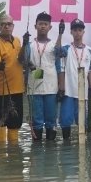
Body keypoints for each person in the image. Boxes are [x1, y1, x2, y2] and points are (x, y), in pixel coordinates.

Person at [27, 12, 64, 142]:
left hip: (51, 88)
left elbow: (59, 65)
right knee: (36, 121)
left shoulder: (54, 45)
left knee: (51, 121)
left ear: (50, 27)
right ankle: (36, 151)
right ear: (35, 26)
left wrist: (61, 87)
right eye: (40, 24)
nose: (43, 26)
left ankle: (50, 151)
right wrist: (24, 45)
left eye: (45, 24)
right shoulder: (30, 45)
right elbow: (22, 61)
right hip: (34, 89)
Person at [0, 13, 25, 143]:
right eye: (3, 24)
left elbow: (22, 59)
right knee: (1, 120)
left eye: (9, 24)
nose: (6, 26)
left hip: (18, 88)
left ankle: (14, 149)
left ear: (13, 26)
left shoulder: (17, 41)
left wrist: (25, 45)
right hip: (2, 89)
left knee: (15, 121)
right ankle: (0, 150)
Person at [59, 19, 91, 140]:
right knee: (65, 120)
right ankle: (66, 146)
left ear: (83, 32)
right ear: (71, 32)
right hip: (68, 91)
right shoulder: (66, 49)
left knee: (82, 121)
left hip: (83, 92)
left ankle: (82, 146)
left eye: (80, 30)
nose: (77, 32)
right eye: (75, 30)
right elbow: (62, 69)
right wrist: (61, 88)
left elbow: (90, 70)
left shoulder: (89, 50)